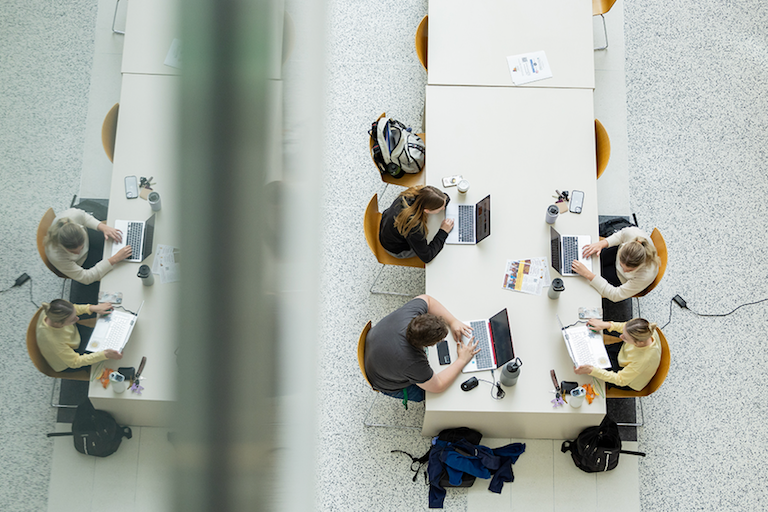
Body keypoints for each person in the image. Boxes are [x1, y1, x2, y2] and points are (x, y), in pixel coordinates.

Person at [364, 294, 480, 402]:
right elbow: (438, 386)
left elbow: (427, 299)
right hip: (382, 381)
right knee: (430, 396)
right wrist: (462, 360)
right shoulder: (413, 362)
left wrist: (453, 321)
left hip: (375, 349)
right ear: (428, 345)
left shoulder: (409, 314)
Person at [44, 208, 132, 285]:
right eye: (73, 252)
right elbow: (86, 278)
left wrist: (103, 227)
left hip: (88, 238)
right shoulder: (57, 256)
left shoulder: (72, 215)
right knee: (114, 270)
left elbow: (85, 217)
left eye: (81, 248)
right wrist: (114, 259)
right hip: (81, 261)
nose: (78, 252)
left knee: (115, 240)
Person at [571, 226, 660, 302]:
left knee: (586, 282)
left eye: (629, 270)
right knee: (587, 260)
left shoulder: (645, 275)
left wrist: (588, 274)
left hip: (621, 278)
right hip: (615, 255)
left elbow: (615, 295)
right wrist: (602, 243)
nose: (625, 271)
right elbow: (620, 235)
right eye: (622, 266)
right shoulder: (632, 234)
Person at [574, 318, 662, 391]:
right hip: (624, 354)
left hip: (627, 378)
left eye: (625, 337)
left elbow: (620, 380)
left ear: (640, 343)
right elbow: (625, 327)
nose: (621, 336)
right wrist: (606, 325)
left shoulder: (643, 360)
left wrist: (592, 370)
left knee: (591, 368)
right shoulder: (643, 329)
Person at [36, 299, 123, 372]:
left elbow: (74, 308)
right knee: (109, 357)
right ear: (58, 323)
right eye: (72, 319)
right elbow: (75, 362)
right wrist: (104, 354)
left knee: (106, 336)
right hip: (69, 359)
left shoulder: (54, 311)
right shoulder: (53, 341)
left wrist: (92, 308)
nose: (77, 318)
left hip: (74, 337)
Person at [379, 185, 453, 263]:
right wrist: (443, 231)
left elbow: (436, 196)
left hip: (387, 225)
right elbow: (427, 256)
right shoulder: (413, 226)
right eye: (441, 208)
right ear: (426, 210)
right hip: (396, 248)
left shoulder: (410, 194)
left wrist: (442, 200)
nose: (443, 208)